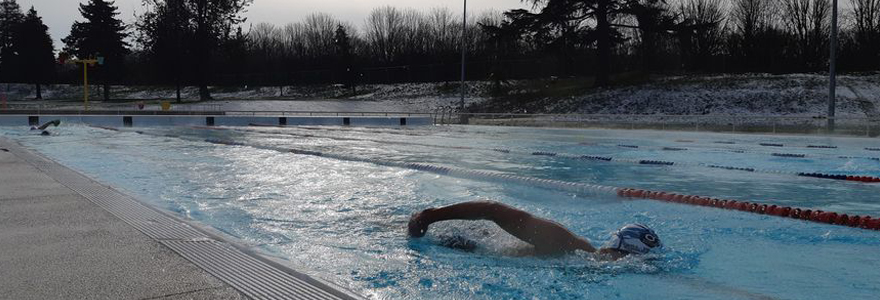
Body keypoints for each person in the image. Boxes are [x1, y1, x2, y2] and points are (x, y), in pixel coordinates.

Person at [408, 201, 662, 260]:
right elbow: (495, 210)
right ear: (619, 252)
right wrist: (430, 217)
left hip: (477, 251)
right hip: (463, 243)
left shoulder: (585, 261)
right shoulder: (567, 243)